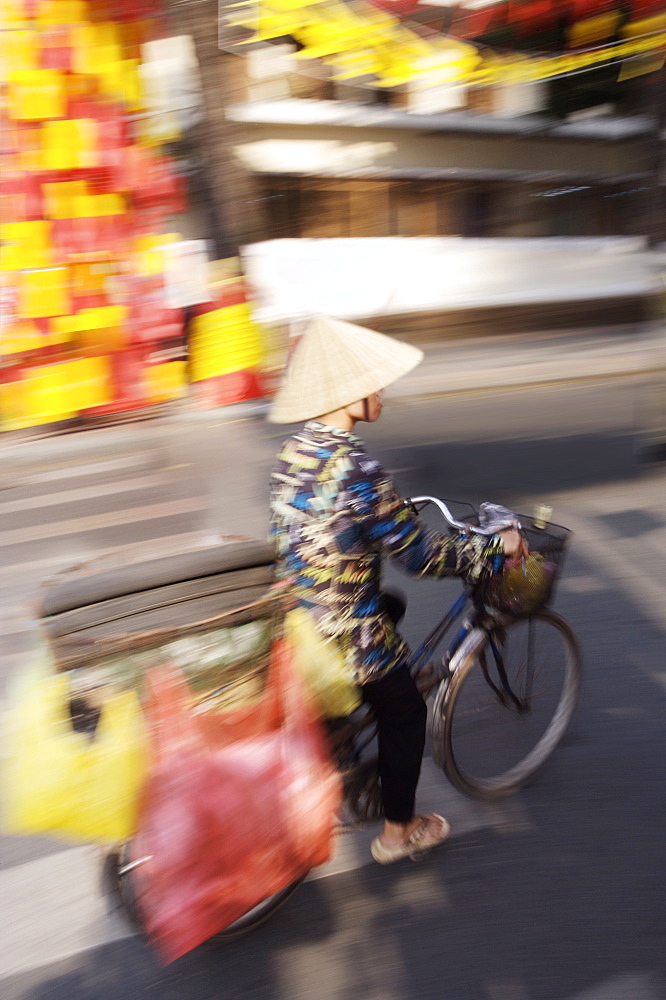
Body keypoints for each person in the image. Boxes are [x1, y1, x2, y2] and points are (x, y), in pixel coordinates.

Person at [268, 316, 526, 864]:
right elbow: (422, 556)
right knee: (405, 713)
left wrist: (384, 517)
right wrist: (494, 549)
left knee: (392, 605)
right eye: (371, 381)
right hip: (345, 631)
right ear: (349, 393)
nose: (380, 390)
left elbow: (313, 526)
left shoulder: (293, 452)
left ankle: (340, 738)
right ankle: (396, 834)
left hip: (297, 613)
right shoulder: (359, 469)